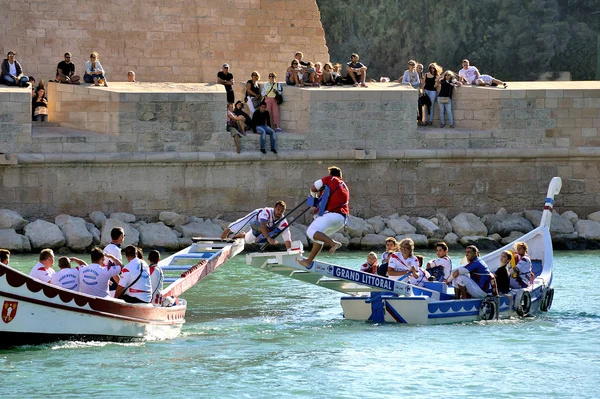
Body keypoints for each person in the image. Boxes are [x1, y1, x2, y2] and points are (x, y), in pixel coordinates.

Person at [297, 166, 349, 268]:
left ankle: (333, 243)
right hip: (342, 219)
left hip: (332, 215)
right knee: (319, 237)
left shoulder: (330, 179)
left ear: (331, 174)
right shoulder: (344, 186)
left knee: (311, 231)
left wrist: (313, 197)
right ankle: (308, 261)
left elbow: (313, 187)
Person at [104, 227, 124, 295]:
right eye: (123, 236)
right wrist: (120, 286)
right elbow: (112, 270)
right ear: (121, 236)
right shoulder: (116, 250)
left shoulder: (107, 247)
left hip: (106, 282)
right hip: (113, 286)